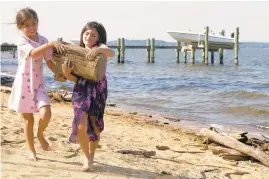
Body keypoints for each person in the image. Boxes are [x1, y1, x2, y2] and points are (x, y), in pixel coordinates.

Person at [8, 7, 66, 161]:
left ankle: (40, 135)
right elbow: (33, 53)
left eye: (34, 23)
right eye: (27, 25)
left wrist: (58, 73)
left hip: (39, 84)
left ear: (38, 22)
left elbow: (49, 61)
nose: (31, 28)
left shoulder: (43, 40)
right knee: (28, 119)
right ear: (20, 27)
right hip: (23, 86)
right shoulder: (21, 40)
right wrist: (50, 44)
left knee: (46, 113)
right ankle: (31, 151)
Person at [63, 21, 114, 171]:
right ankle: (86, 158)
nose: (89, 37)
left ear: (99, 37)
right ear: (82, 35)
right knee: (81, 124)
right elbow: (74, 78)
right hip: (81, 89)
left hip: (99, 90)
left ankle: (92, 155)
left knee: (96, 125)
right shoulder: (76, 51)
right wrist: (66, 74)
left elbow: (111, 52)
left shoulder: (101, 48)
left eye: (93, 34)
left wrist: (98, 51)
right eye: (86, 34)